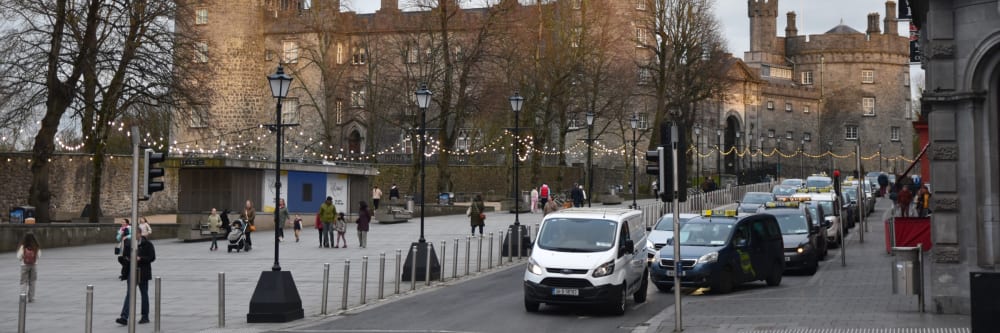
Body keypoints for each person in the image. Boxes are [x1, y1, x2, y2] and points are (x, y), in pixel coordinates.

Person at [115, 227, 155, 325]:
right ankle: (124, 317)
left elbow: (152, 257)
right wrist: (128, 259)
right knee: (129, 294)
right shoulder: (129, 243)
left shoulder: (148, 244)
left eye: (135, 234)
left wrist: (140, 258)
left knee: (144, 294)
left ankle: (145, 316)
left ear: (139, 234)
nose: (133, 236)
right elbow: (125, 256)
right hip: (131, 271)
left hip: (143, 272)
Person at [17, 233, 40, 303]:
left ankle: (23, 297)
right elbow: (39, 255)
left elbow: (18, 256)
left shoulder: (23, 247)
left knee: (23, 282)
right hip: (33, 265)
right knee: (32, 282)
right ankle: (31, 298)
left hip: (24, 265)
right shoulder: (36, 246)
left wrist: (23, 259)